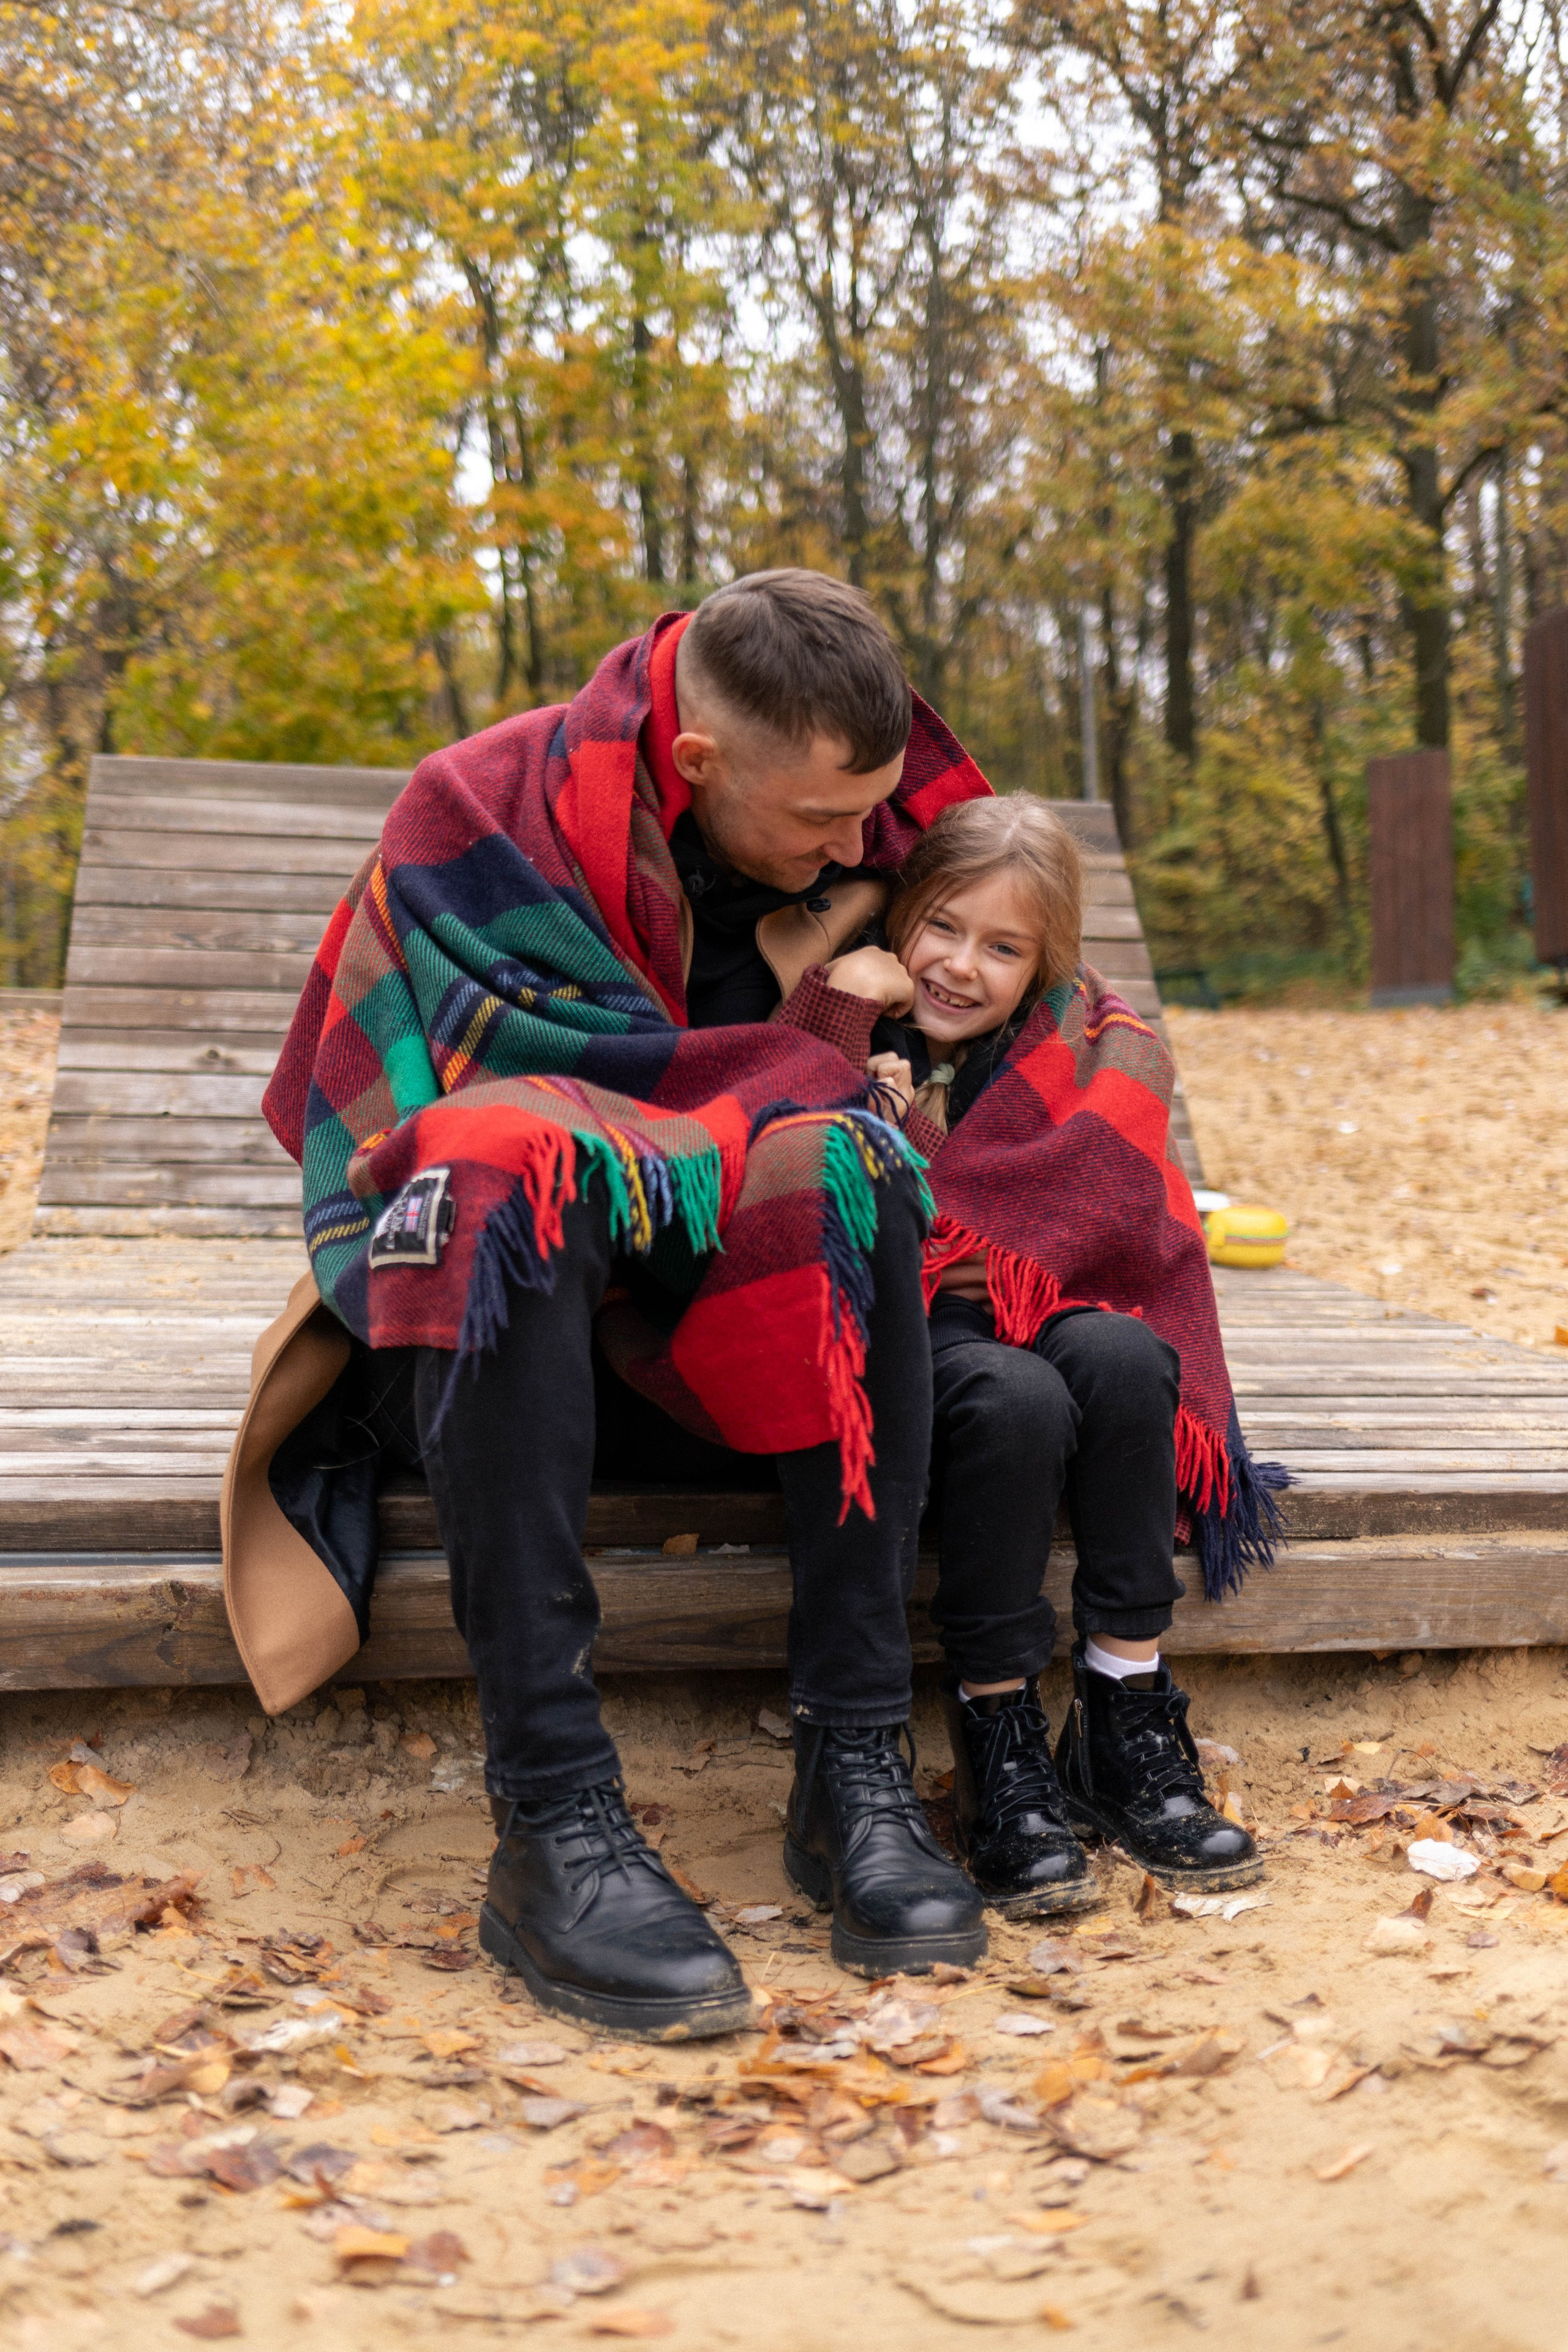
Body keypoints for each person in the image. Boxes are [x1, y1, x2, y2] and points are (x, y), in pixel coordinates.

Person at [227, 571, 995, 2040]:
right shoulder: (475, 813)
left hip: (747, 1348)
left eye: (872, 810)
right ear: (697, 765)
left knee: (849, 1158)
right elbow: (401, 1142)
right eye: (821, 823)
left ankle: (851, 1771)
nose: (865, 847)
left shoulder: (870, 815)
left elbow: (1024, 1015)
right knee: (497, 1157)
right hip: (490, 1341)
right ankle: (552, 1821)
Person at [770, 794, 1282, 1914]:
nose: (960, 966)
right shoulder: (847, 1022)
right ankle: (998, 1731)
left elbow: (1114, 1214)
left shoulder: (1099, 1043)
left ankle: (1123, 1713)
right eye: (941, 928)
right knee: (1016, 1398)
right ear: (903, 917)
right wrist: (844, 1005)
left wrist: (973, 1241)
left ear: (1045, 958)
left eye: (1002, 947)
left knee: (1128, 1359)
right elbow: (778, 1139)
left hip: (1052, 1299)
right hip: (906, 1335)